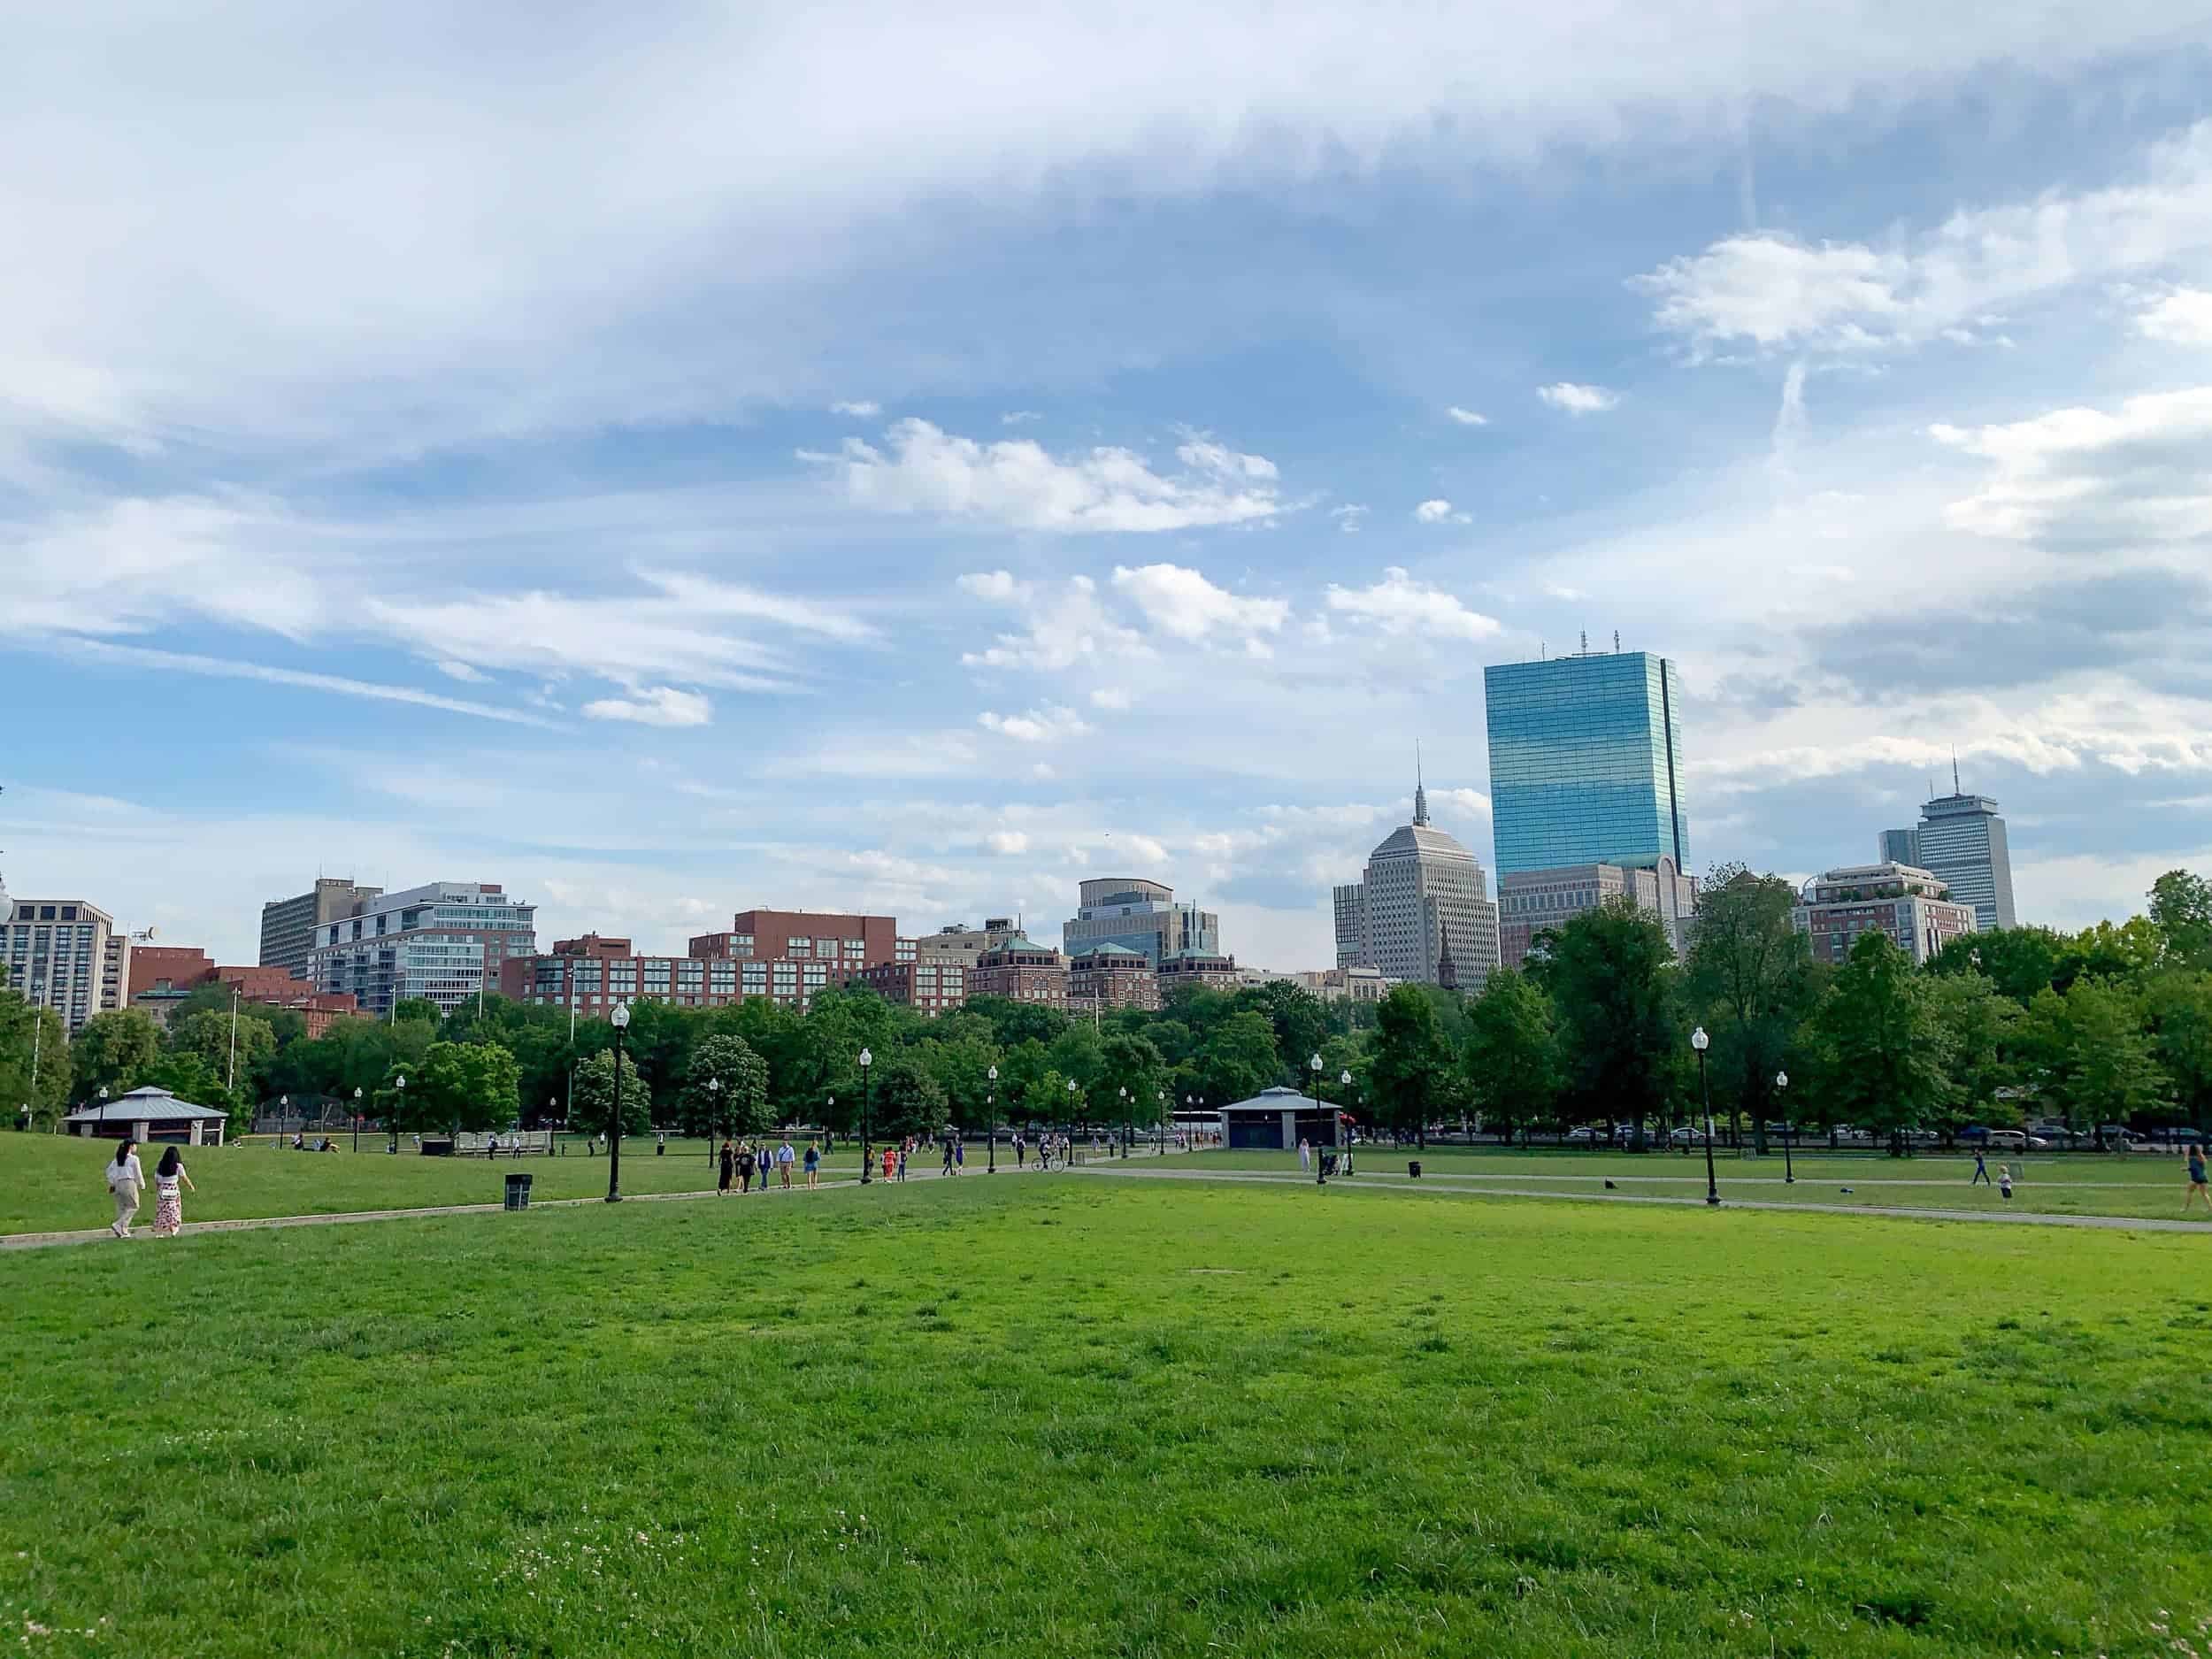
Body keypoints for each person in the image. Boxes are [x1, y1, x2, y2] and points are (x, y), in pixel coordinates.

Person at [150, 1146, 196, 1238]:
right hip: (172, 1189)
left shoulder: (161, 1166)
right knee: (173, 1208)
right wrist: (191, 1186)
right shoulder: (178, 1166)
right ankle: (173, 1227)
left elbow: (157, 1180)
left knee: (162, 1210)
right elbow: (184, 1178)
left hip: (163, 1189)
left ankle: (160, 1231)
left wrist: (158, 1190)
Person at [106, 1140, 146, 1237]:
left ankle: (123, 1230)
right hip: (129, 1183)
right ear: (131, 1146)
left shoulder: (117, 1159)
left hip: (118, 1184)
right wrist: (142, 1183)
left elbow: (109, 1171)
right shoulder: (134, 1159)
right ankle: (118, 1224)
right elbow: (138, 1173)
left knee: (122, 1208)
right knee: (134, 1206)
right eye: (135, 1145)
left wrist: (113, 1183)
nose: (136, 1147)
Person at [2187, 1144, 2210, 1212]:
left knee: (2189, 1192)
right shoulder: (2201, 1157)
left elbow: (2193, 1168)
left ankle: (2185, 1208)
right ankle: (2210, 1208)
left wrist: (2186, 1169)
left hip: (2195, 1178)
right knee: (2205, 1194)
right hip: (2203, 1177)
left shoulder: (2191, 1158)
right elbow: (2201, 1168)